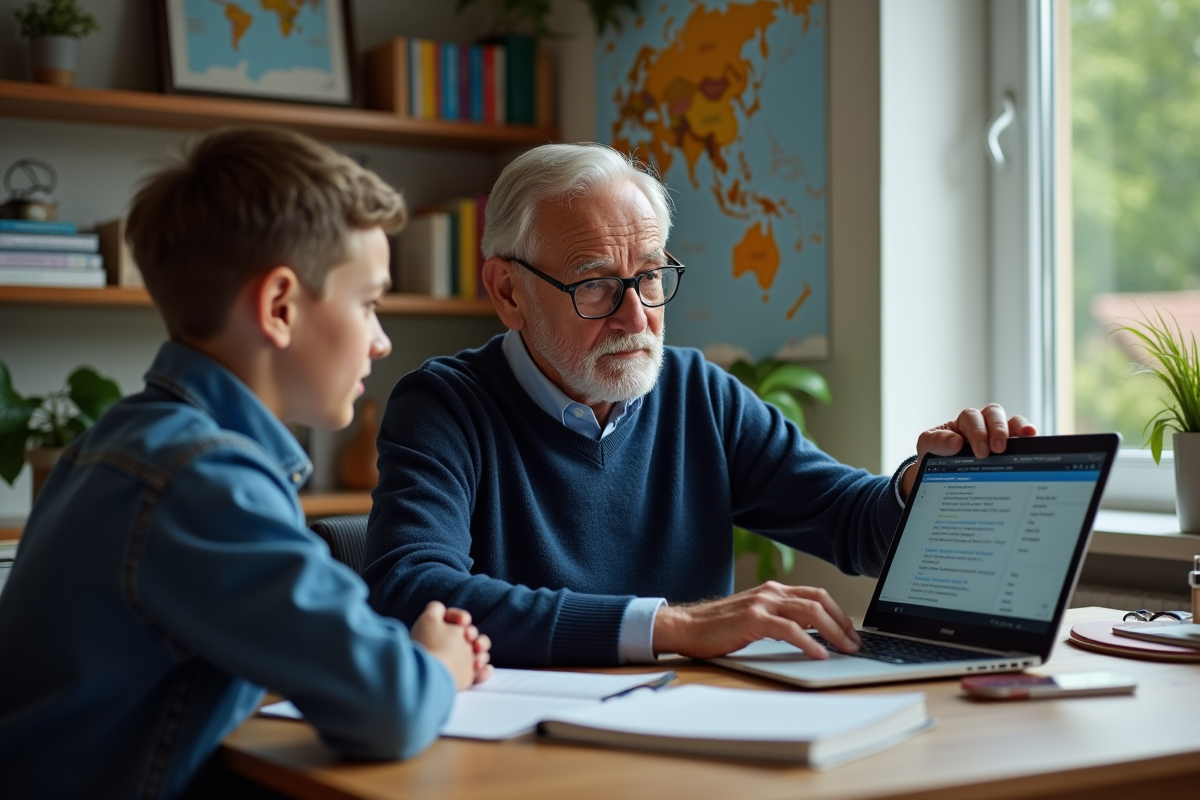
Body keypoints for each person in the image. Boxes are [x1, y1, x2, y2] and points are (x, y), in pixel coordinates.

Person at [362, 143, 1036, 668]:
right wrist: (672, 626)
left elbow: (855, 525)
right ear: (507, 291)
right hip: (532, 755)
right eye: (596, 285)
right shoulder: (444, 406)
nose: (636, 316)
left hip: (695, 732)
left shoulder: (697, 393)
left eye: (650, 276)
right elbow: (413, 589)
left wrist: (930, 484)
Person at [0, 128, 491, 799]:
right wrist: (440, 662)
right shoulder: (200, 478)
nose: (382, 341)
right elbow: (391, 708)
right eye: (369, 302)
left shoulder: (125, 439)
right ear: (280, 307)